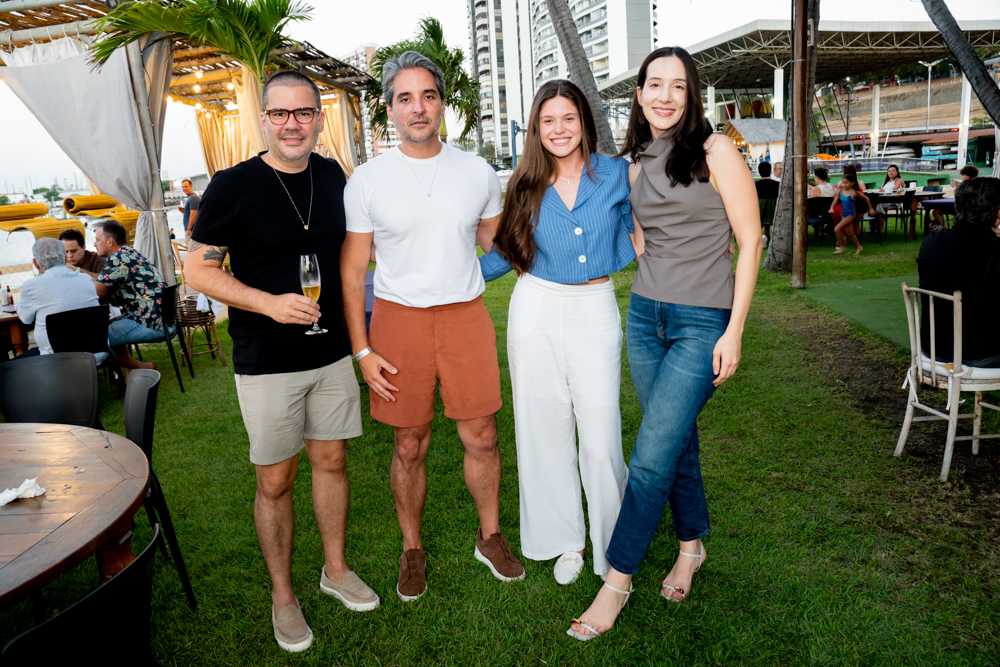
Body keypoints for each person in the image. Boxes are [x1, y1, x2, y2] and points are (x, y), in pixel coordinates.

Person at [567, 46, 761, 640]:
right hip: (646, 319)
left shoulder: (716, 150)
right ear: (640, 93)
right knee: (674, 439)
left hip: (703, 324)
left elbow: (750, 240)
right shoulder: (631, 162)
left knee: (651, 455)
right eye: (655, 84)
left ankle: (616, 581)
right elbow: (636, 234)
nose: (665, 96)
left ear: (691, 94)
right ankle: (691, 545)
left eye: (678, 86)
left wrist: (734, 330)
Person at [184, 70, 376, 653]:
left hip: (330, 351)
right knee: (275, 480)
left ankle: (335, 570)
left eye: (304, 112)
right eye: (280, 113)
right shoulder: (231, 185)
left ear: (319, 118)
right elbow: (197, 271)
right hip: (267, 360)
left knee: (332, 462)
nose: (293, 124)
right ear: (264, 119)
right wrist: (268, 303)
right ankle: (283, 594)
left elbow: (355, 251)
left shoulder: (332, 175)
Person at [340, 51, 524, 604]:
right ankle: (412, 548)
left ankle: (489, 536)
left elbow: (498, 243)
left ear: (442, 104)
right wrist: (362, 351)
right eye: (405, 98)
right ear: (390, 109)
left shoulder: (477, 172)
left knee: (482, 434)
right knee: (408, 443)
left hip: (466, 318)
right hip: (398, 322)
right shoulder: (367, 180)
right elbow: (352, 270)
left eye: (428, 96)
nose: (417, 108)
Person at [478, 79, 635, 585]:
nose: (559, 129)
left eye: (569, 118)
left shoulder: (617, 173)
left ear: (584, 122)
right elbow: (507, 253)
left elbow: (646, 228)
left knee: (601, 436)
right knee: (543, 430)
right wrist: (446, 279)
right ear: (536, 128)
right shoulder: (524, 182)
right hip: (536, 309)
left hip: (595, 309)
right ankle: (566, 541)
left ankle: (613, 548)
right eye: (548, 120)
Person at [917, 176, 1000, 367]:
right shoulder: (994, 250)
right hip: (981, 355)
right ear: (997, 212)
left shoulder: (932, 242)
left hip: (933, 350)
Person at [16, 237, 102, 359]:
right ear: (65, 258)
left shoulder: (30, 286)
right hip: (96, 354)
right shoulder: (86, 279)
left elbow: (26, 319)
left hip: (56, 359)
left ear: (35, 263)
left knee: (8, 368)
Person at [93, 220, 160, 374]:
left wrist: (76, 272)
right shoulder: (131, 253)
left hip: (148, 323)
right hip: (158, 318)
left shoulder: (118, 259)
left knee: (95, 339)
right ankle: (131, 375)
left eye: (97, 240)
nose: (95, 244)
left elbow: (98, 292)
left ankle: (144, 367)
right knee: (108, 326)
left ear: (109, 242)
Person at [829, 174, 873, 256]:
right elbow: (835, 201)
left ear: (852, 183)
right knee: (850, 234)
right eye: (843, 183)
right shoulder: (840, 191)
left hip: (850, 215)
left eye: (846, 183)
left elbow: (867, 198)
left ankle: (841, 246)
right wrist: (831, 208)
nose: (844, 185)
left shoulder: (854, 192)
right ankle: (859, 247)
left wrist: (871, 209)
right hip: (843, 214)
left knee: (837, 229)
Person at [930, 164, 978, 231]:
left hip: (963, 209)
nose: (962, 177)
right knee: (937, 210)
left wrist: (955, 187)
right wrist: (944, 198)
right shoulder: (975, 184)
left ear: (968, 175)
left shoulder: (968, 186)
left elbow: (959, 198)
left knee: (936, 211)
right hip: (966, 208)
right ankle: (937, 227)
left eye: (963, 175)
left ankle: (945, 229)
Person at [179, 179, 200, 244]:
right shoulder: (191, 197)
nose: (184, 188)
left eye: (186, 186)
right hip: (192, 230)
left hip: (192, 231)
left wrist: (189, 229)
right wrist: (184, 210)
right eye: (183, 187)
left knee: (190, 249)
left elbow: (193, 214)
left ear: (191, 186)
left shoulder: (193, 198)